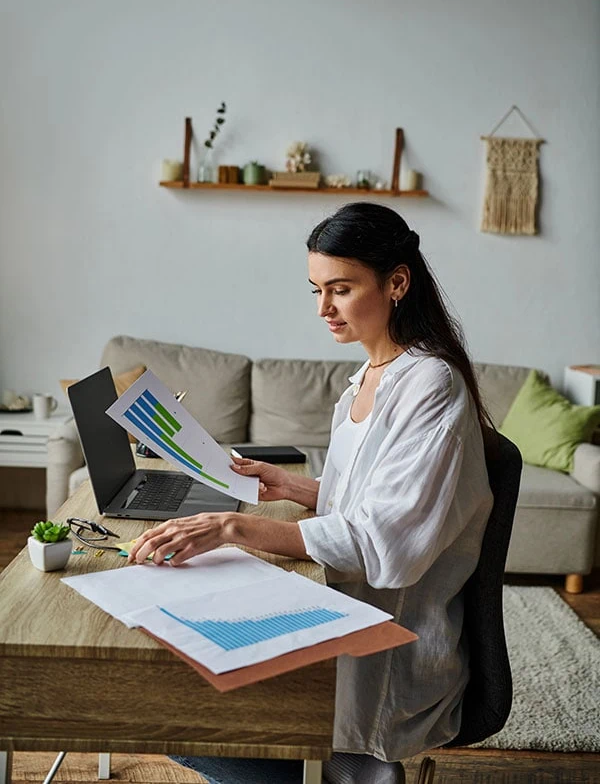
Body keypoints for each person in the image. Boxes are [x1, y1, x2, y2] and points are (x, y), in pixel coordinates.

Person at [128, 202, 494, 784]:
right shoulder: (364, 379)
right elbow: (368, 499)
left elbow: (388, 543)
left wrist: (231, 526)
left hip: (385, 653)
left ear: (397, 281)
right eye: (316, 289)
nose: (324, 308)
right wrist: (292, 486)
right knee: (178, 656)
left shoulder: (431, 384)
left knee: (175, 708)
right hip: (343, 610)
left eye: (341, 289)